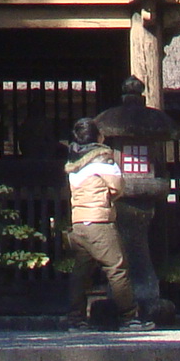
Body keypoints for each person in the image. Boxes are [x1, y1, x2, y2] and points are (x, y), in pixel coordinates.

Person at [94, 77, 176, 322]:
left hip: (129, 199)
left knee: (129, 251)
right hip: (131, 199)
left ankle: (128, 301)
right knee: (131, 249)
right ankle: (137, 298)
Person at [61, 117, 142, 333]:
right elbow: (118, 187)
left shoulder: (73, 163)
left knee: (81, 272)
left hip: (79, 221)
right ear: (98, 137)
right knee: (117, 268)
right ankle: (129, 317)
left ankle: (75, 319)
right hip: (99, 220)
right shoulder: (102, 161)